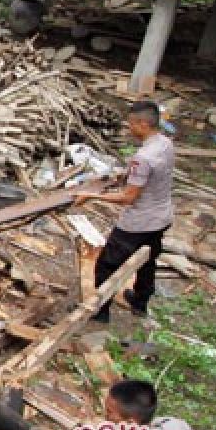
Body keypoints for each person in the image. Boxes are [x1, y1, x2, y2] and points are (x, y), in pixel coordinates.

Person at [75, 102, 174, 323]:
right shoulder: (165, 143)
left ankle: (99, 312)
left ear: (143, 124)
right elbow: (149, 174)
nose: (129, 129)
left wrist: (91, 196)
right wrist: (124, 175)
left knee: (107, 265)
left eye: (131, 124)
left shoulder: (144, 157)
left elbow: (128, 198)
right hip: (162, 217)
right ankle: (140, 303)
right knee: (147, 262)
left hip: (139, 223)